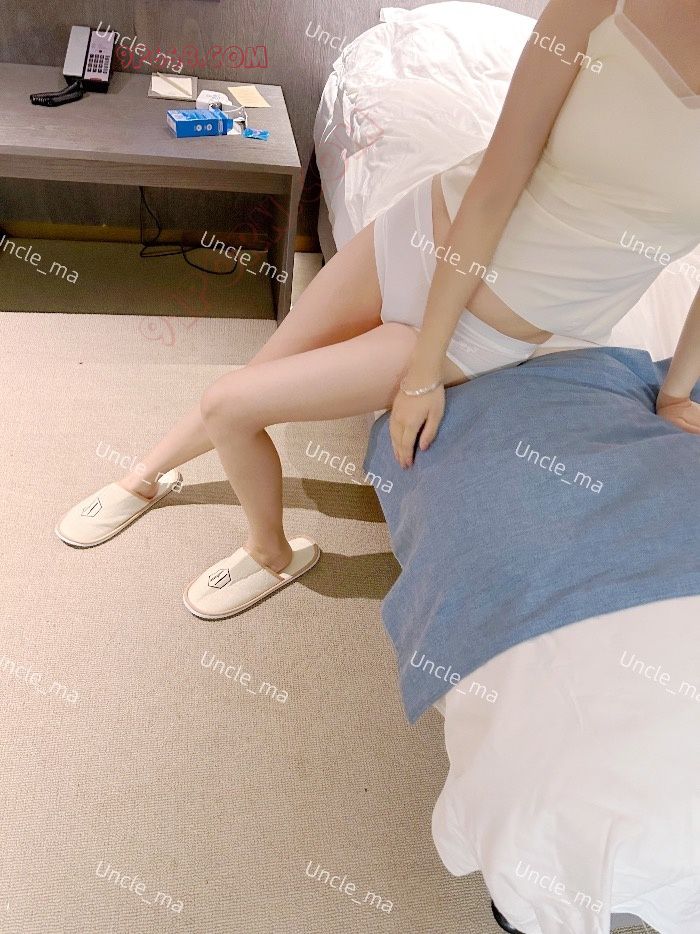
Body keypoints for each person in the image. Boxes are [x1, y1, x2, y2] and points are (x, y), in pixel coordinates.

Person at [56, 0, 700, 620]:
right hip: (425, 225)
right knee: (265, 367)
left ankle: (271, 553)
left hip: (481, 327)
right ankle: (148, 475)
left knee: (231, 403)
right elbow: (496, 181)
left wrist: (674, 393)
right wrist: (418, 377)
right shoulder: (599, 7)